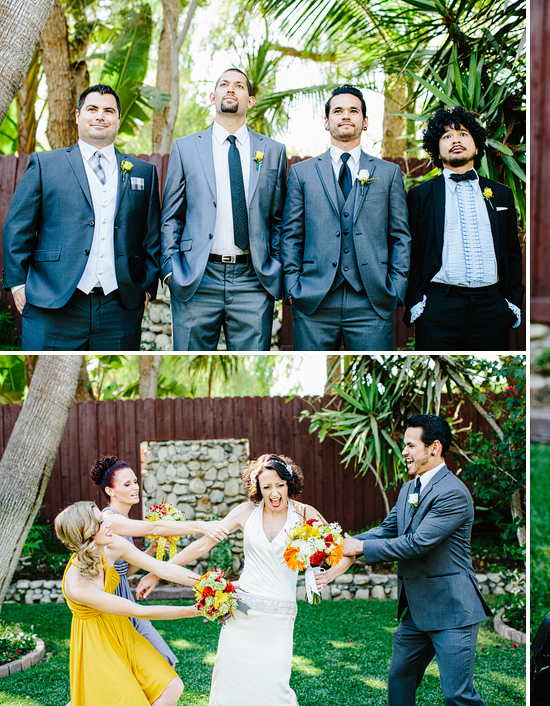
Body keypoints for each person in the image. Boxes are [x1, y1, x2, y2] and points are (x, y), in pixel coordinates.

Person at [136, 454, 353, 706]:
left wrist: (329, 574)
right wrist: (157, 572)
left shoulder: (305, 514)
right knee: (231, 685)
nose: (274, 493)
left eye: (280, 485)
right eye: (267, 486)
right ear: (257, 488)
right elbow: (202, 545)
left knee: (274, 689)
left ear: (289, 484)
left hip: (278, 617)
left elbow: (346, 552)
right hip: (240, 611)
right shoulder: (245, 512)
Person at [342, 414, 492, 706]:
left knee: (457, 695)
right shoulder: (409, 489)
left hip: (452, 610)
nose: (405, 452)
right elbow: (387, 530)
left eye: (411, 445)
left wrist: (359, 548)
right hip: (417, 610)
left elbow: (417, 544)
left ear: (433, 448)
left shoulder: (453, 493)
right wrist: (341, 543)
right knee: (400, 678)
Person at [3, 84, 160, 351]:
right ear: (78, 116)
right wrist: (18, 284)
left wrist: (146, 288)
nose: (101, 116)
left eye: (109, 111)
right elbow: (18, 227)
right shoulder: (45, 164)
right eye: (93, 109)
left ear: (117, 120)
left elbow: (152, 234)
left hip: (119, 309)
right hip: (51, 304)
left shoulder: (143, 172)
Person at [160, 68, 287, 351]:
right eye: (224, 85)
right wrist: (171, 270)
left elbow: (279, 218)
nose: (231, 89)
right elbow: (171, 215)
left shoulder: (274, 152)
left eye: (239, 86)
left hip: (253, 280)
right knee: (190, 362)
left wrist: (275, 265)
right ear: (212, 95)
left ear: (250, 100)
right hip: (197, 277)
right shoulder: (185, 148)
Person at [281, 85, 410, 350]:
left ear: (364, 122)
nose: (346, 116)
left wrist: (395, 288)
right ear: (327, 122)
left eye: (354, 110)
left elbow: (400, 236)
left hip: (371, 303)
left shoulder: (388, 173)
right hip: (314, 302)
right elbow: (291, 235)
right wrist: (293, 287)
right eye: (338, 111)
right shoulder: (301, 173)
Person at [54, 501, 200, 705]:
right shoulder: (78, 584)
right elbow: (139, 611)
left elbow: (162, 569)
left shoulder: (111, 545)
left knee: (172, 686)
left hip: (123, 630)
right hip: (97, 642)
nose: (108, 525)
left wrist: (207, 585)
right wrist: (197, 610)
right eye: (100, 522)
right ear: (86, 533)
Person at [90, 454, 230, 666]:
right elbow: (153, 527)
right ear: (110, 491)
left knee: (161, 662)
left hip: (125, 594)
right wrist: (201, 525)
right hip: (110, 600)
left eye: (135, 481)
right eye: (127, 484)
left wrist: (152, 549)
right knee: (131, 669)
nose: (135, 487)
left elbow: (124, 571)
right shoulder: (109, 520)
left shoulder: (124, 519)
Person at [404, 107, 524, 350]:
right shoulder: (420, 196)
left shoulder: (501, 194)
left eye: (462, 134)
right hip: (438, 308)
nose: (455, 140)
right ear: (437, 151)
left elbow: (512, 252)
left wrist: (512, 303)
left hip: (492, 309)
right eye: (446, 137)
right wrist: (417, 302)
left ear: (477, 146)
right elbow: (411, 252)